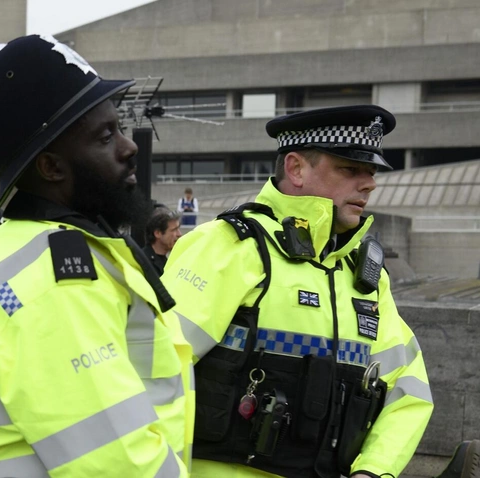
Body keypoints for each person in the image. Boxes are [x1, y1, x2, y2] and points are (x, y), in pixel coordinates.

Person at [0, 34, 195, 476]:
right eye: (105, 136)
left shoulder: (20, 247)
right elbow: (118, 465)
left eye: (119, 128)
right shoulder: (54, 285)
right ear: (52, 167)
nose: (129, 146)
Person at [162, 105, 433, 478]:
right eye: (350, 169)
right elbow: (153, 371)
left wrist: (373, 471)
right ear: (296, 168)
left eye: (370, 172)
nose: (369, 183)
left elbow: (408, 386)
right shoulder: (228, 247)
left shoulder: (365, 275)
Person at [142, 208, 182, 275]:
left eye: (178, 229)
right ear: (158, 233)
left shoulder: (167, 261)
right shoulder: (143, 263)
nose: (179, 234)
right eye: (174, 230)